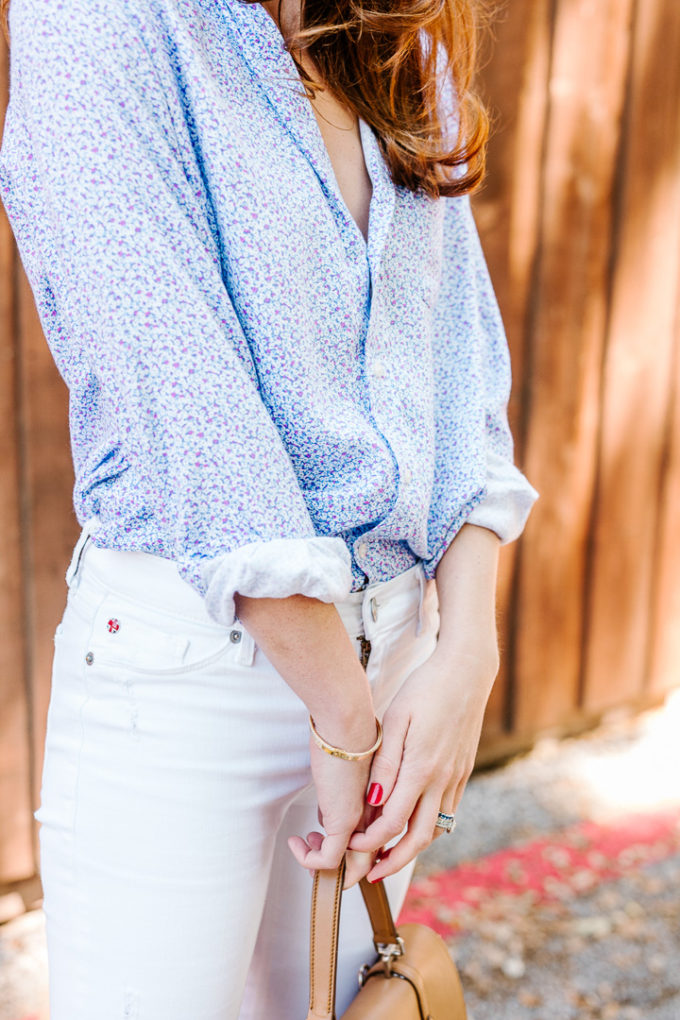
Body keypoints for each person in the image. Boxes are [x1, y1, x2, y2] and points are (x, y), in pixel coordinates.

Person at [0, 0, 538, 1016]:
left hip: (391, 665)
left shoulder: (392, 30)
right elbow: (184, 404)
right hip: (188, 678)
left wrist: (467, 645)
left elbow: (458, 361)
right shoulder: (94, 21)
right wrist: (341, 714)